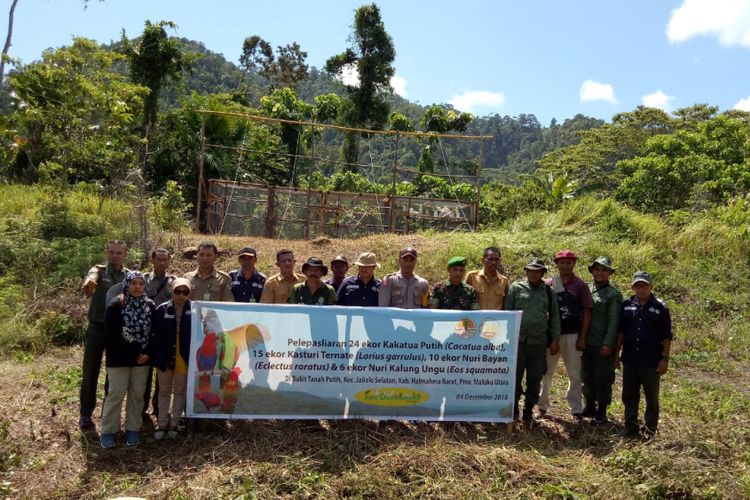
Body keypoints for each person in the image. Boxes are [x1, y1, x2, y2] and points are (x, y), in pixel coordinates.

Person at [100, 271, 156, 448]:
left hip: (143, 360)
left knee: (137, 394)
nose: (137, 287)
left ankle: (133, 428)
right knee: (115, 393)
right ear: (127, 285)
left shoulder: (150, 305)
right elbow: (113, 335)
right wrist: (134, 354)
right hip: (119, 359)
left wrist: (147, 352)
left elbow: (155, 332)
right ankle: (108, 431)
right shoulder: (117, 305)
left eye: (141, 283)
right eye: (134, 283)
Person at [78, 240, 129, 431]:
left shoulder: (129, 276)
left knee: (113, 374)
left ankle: (108, 413)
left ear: (125, 253)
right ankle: (85, 413)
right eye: (111, 252)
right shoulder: (98, 272)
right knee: (90, 372)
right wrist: (88, 283)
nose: (115, 255)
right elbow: (87, 284)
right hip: (96, 329)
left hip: (116, 331)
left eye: (119, 252)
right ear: (106, 252)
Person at [538, 250, 593, 421]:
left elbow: (587, 312)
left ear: (574, 264)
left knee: (575, 373)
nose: (565, 265)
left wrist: (582, 337)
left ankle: (576, 408)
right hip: (552, 335)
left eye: (568, 262)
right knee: (546, 372)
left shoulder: (580, 285)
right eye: (562, 262)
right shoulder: (549, 284)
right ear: (557, 264)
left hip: (572, 334)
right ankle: (542, 406)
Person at [504, 258, 561, 425]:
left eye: (538, 271)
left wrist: (555, 339)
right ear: (526, 272)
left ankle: (528, 411)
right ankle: (513, 410)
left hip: (538, 343)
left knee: (535, 380)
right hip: (518, 342)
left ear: (543, 273)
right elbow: (508, 313)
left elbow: (555, 317)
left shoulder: (549, 292)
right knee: (514, 378)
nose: (534, 274)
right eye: (531, 271)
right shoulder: (516, 288)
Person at [616, 271, 672, 438]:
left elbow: (667, 336)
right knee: (629, 395)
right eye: (637, 285)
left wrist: (665, 359)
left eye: (644, 285)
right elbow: (621, 332)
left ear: (651, 286)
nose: (641, 288)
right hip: (630, 359)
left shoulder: (660, 307)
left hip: (651, 361)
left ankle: (649, 429)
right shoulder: (626, 305)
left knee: (651, 398)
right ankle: (630, 427)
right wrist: (616, 354)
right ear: (632, 287)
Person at [150, 278, 192, 440]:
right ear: (172, 291)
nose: (181, 295)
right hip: (165, 356)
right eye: (178, 292)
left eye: (185, 292)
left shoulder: (194, 309)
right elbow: (156, 337)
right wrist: (158, 358)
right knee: (164, 391)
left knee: (180, 391)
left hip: (183, 356)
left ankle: (174, 423)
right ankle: (161, 423)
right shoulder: (161, 309)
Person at [582, 257, 623, 425]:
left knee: (603, 378)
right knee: (587, 376)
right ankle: (589, 406)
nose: (600, 273)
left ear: (609, 273)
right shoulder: (587, 289)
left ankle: (602, 410)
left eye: (604, 270)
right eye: (597, 269)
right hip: (586, 342)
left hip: (602, 344)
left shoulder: (613, 294)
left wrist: (608, 343)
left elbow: (614, 321)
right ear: (592, 271)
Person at [142, 248, 176, 422]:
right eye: (159, 260)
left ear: (169, 261)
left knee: (162, 371)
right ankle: (142, 409)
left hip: (165, 335)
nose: (162, 263)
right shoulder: (143, 280)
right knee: (145, 372)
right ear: (152, 261)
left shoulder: (174, 282)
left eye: (165, 260)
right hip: (145, 332)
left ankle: (158, 408)